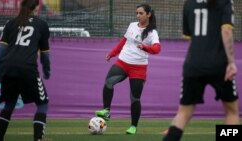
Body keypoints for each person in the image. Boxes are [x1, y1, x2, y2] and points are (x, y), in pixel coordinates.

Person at [162, 0, 240, 140]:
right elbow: (226, 30)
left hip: (194, 64)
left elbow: (190, 37)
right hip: (219, 65)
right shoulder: (225, 1)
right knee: (231, 112)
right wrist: (231, 62)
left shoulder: (189, 3)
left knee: (183, 114)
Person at [95, 3, 161, 134]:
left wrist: (145, 47)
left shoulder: (152, 32)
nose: (138, 16)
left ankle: (133, 126)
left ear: (148, 14)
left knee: (134, 99)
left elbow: (157, 49)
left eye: (141, 13)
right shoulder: (132, 25)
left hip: (139, 68)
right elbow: (123, 42)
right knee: (108, 82)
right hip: (123, 62)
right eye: (137, 13)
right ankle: (106, 111)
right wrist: (112, 53)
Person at [0, 0, 51, 140]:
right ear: (36, 8)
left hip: (9, 68)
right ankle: (38, 138)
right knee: (43, 104)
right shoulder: (42, 25)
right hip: (27, 68)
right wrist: (47, 71)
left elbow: (0, 52)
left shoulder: (10, 23)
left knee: (9, 104)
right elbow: (45, 54)